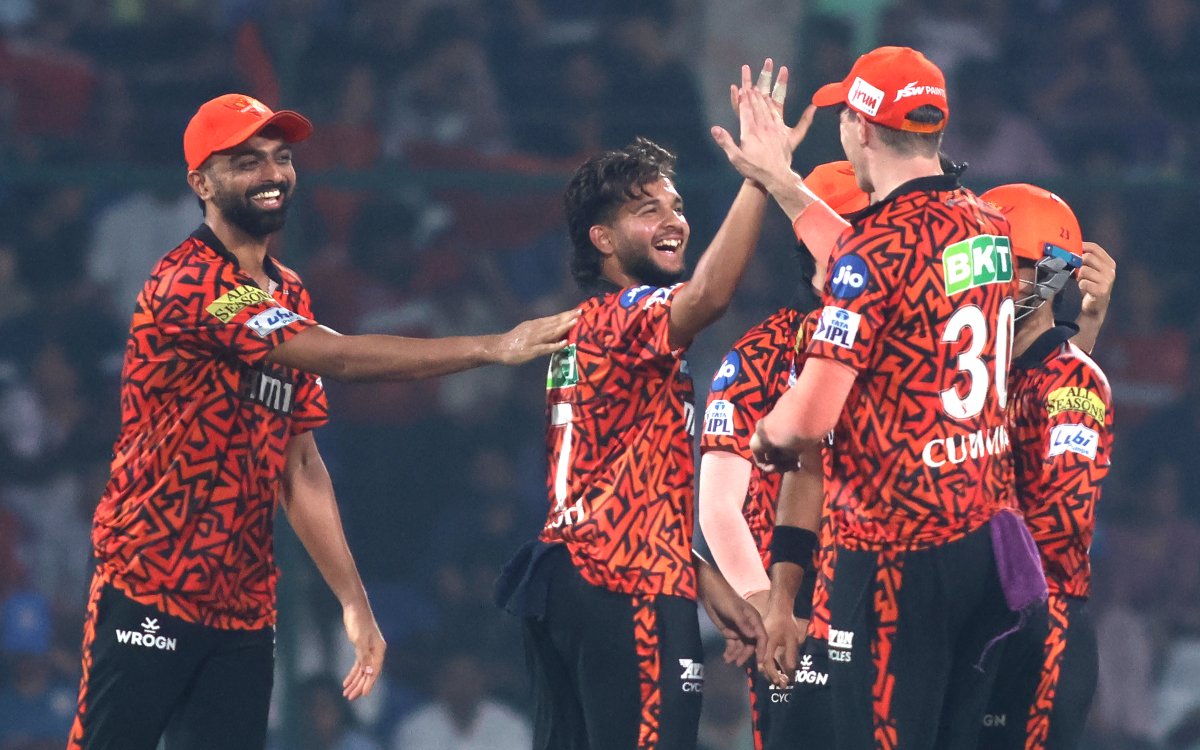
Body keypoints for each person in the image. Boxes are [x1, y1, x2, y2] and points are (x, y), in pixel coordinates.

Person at [67, 93, 578, 750]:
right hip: (151, 579)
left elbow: (301, 465)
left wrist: (353, 602)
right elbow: (339, 356)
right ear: (201, 183)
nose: (273, 173)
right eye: (247, 161)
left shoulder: (288, 292)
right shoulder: (191, 283)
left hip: (243, 604)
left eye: (281, 157)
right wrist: (493, 345)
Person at [714, 47, 1045, 749]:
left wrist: (768, 435)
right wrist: (779, 181)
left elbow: (809, 419)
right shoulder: (987, 224)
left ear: (860, 127)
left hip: (899, 555)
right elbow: (878, 262)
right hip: (983, 544)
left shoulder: (874, 254)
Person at [495, 61, 803, 750]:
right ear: (602, 240)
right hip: (626, 587)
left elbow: (614, 494)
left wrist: (707, 583)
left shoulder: (586, 330)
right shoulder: (631, 315)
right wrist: (760, 177)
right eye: (647, 210)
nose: (674, 222)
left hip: (571, 579)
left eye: (677, 206)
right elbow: (708, 297)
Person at [696, 160, 866, 750]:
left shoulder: (915, 345)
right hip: (795, 606)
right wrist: (768, 607)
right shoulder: (760, 356)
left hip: (892, 587)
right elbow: (719, 507)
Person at [976, 184, 1114, 750]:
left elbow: (1062, 522)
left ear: (1054, 273)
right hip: (979, 629)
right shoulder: (974, 374)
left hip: (1040, 637)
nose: (995, 280)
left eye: (1014, 266)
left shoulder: (1073, 381)